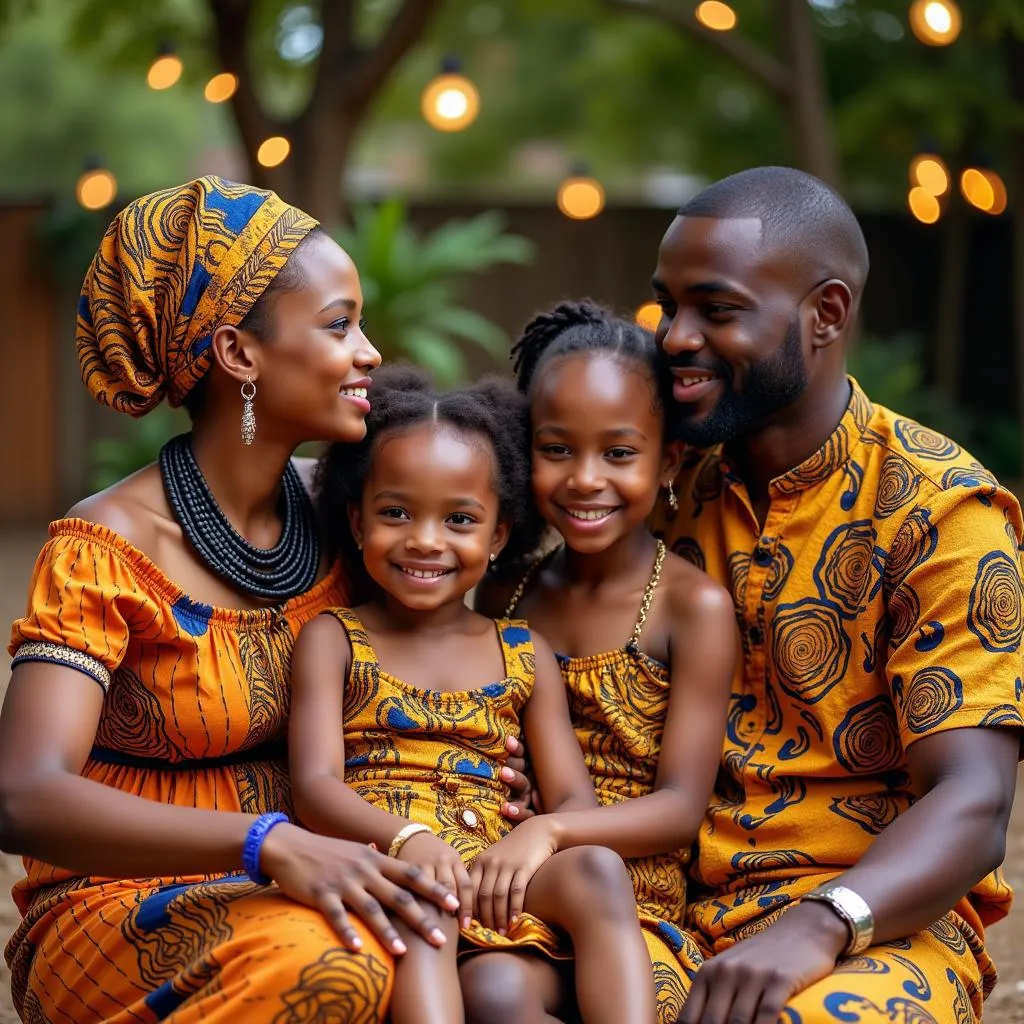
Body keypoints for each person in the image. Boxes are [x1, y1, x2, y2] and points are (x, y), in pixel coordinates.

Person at [0, 175, 491, 1024]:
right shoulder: (109, 547)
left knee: (474, 947)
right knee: (348, 967)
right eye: (340, 325)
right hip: (120, 900)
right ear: (239, 354)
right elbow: (22, 793)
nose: (371, 351)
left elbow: (472, 620)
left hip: (329, 864)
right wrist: (265, 843)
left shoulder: (355, 513)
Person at [646, 166, 1023, 1023]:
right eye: (668, 305)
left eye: (717, 308)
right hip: (649, 906)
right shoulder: (663, 486)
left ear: (825, 314)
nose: (674, 336)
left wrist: (824, 923)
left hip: (871, 926)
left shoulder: (940, 511)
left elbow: (974, 798)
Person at [288, 364, 658, 1024]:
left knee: (598, 871)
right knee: (427, 900)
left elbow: (573, 796)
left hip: (499, 871)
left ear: (497, 536)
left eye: (459, 519)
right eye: (395, 513)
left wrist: (539, 837)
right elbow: (315, 785)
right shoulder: (335, 639)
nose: (425, 540)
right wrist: (406, 839)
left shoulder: (521, 649)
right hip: (393, 862)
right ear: (356, 518)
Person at [473, 300, 737, 1024]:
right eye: (557, 450)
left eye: (619, 454)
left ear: (669, 460)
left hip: (632, 904)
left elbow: (681, 808)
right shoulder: (505, 591)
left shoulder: (690, 607)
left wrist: (553, 830)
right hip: (512, 880)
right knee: (489, 992)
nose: (586, 480)